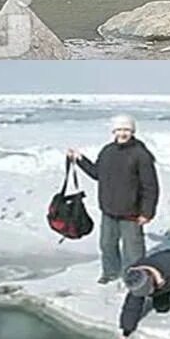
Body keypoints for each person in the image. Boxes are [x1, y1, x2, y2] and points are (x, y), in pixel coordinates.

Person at [67, 114, 159, 284]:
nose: (123, 133)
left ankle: (134, 278)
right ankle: (110, 272)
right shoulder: (107, 151)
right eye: (119, 129)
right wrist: (80, 160)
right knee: (107, 245)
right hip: (109, 210)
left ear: (132, 131)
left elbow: (150, 186)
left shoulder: (141, 154)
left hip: (131, 212)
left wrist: (147, 213)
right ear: (113, 131)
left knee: (133, 250)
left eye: (126, 130)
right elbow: (97, 173)